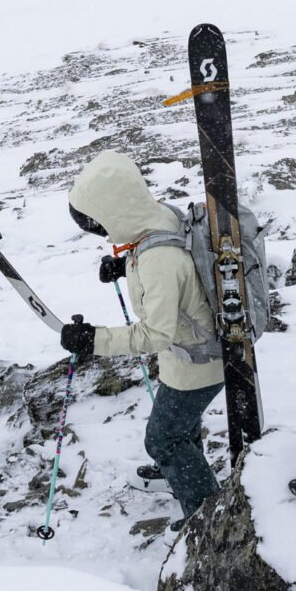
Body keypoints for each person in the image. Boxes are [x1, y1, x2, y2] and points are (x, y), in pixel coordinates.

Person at [60, 152, 224, 521]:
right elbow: (173, 273)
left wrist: (93, 341)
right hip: (194, 352)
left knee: (163, 439)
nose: (100, 232)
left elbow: (155, 334)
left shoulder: (158, 259)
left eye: (98, 224)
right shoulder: (156, 218)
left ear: (114, 212)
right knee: (181, 427)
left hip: (197, 363)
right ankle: (182, 474)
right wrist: (126, 264)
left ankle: (205, 516)